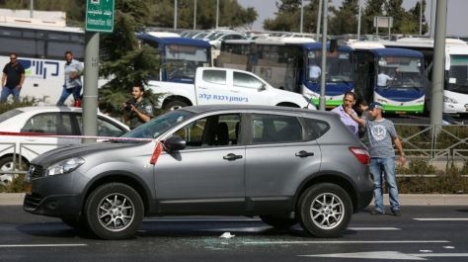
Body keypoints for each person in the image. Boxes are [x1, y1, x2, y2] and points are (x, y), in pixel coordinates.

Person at [364, 102, 406, 216]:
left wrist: (401, 154)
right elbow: (360, 118)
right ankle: (379, 207)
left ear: (379, 110)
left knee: (391, 182)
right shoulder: (369, 123)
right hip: (373, 157)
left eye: (372, 109)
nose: (370, 111)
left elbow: (395, 139)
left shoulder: (388, 123)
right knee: (376, 184)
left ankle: (395, 207)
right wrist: (362, 110)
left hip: (387, 157)